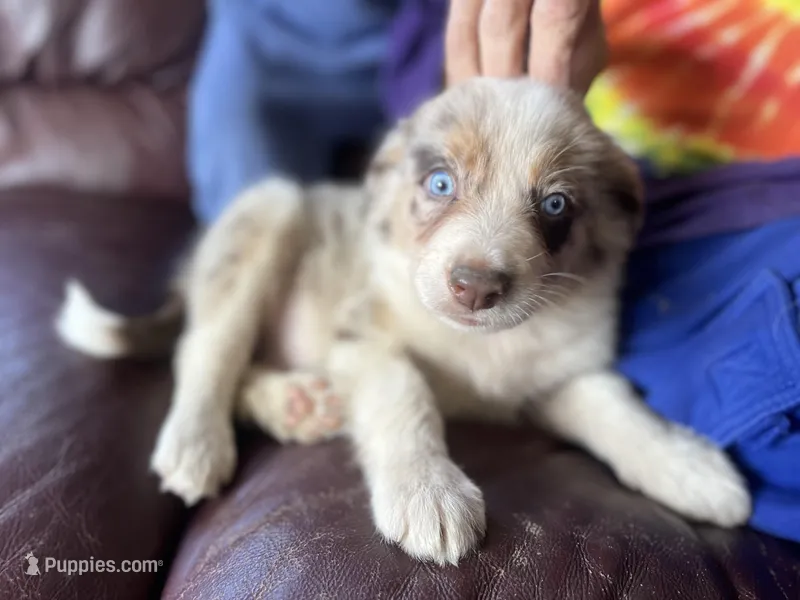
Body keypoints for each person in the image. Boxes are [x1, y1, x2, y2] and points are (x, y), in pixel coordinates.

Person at [187, 0, 800, 544]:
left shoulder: (594, 279)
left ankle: (259, 390)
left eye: (552, 203)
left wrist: (645, 448)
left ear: (613, 219)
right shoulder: (392, 228)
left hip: (735, 221)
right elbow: (368, 349)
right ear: (389, 182)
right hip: (298, 290)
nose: (480, 269)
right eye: (442, 184)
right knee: (272, 210)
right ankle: (208, 393)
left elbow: (568, 386)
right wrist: (411, 454)